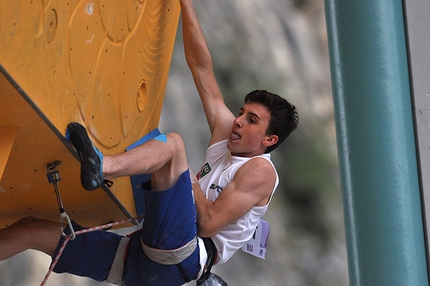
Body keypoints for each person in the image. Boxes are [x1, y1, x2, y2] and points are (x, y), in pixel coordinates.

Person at [0, 0, 298, 285]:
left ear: (269, 140)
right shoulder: (226, 134)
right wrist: (186, 4)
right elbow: (200, 68)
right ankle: (102, 169)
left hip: (183, 256)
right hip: (141, 262)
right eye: (241, 112)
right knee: (30, 230)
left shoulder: (261, 171)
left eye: (251, 120)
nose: (238, 120)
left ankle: (102, 167)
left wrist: (187, 180)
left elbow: (207, 222)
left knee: (172, 146)